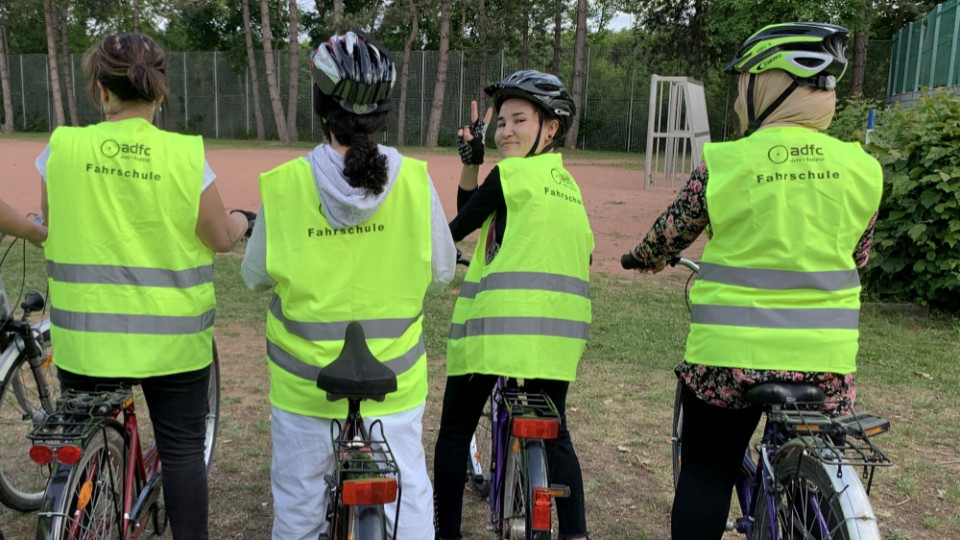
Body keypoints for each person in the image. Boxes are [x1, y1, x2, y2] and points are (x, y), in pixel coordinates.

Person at [620, 22, 883, 539]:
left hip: (728, 359)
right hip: (825, 359)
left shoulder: (725, 163)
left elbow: (668, 236)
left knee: (706, 473)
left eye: (742, 81)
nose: (738, 96)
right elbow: (857, 257)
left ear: (768, 84)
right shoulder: (862, 168)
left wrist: (642, 259)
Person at [240, 29, 456, 540]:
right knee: (409, 503)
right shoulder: (414, 181)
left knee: (298, 510)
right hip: (393, 387)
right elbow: (444, 272)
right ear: (383, 115)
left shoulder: (287, 184)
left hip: (306, 389)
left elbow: (252, 277)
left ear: (321, 106)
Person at [38, 32, 250, 540]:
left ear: (100, 90)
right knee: (180, 452)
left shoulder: (62, 148)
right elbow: (219, 236)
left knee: (83, 434)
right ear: (159, 93)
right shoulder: (183, 156)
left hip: (84, 339)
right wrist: (242, 220)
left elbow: (52, 222)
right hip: (172, 344)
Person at [434, 70, 593, 540]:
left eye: (518, 120)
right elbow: (491, 209)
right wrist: (473, 163)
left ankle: (447, 535)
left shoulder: (511, 175)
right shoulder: (567, 187)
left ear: (550, 127)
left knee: (454, 432)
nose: (504, 130)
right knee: (556, 430)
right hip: (559, 338)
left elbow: (461, 224)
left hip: (497, 332)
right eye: (500, 122)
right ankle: (576, 534)